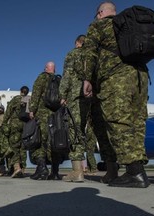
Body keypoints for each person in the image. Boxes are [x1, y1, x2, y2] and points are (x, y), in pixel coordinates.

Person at [82, 1, 150, 188]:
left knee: (119, 122)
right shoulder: (128, 25)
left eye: (97, 13)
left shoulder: (99, 25)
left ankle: (135, 173)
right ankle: (138, 170)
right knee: (136, 123)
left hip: (116, 78)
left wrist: (87, 79)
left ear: (100, 13)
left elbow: (89, 53)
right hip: (140, 77)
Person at [59, 35, 86, 182]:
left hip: (76, 96)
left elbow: (67, 75)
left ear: (77, 43)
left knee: (75, 131)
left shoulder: (73, 54)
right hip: (94, 96)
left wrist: (62, 94)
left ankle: (77, 171)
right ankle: (112, 170)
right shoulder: (95, 54)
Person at [29, 61, 56, 180]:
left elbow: (36, 94)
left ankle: (43, 167)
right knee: (52, 141)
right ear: (54, 69)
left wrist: (32, 110)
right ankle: (52, 171)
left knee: (39, 140)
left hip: (42, 113)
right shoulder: (58, 80)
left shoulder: (42, 77)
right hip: (55, 115)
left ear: (46, 68)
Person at [1, 86, 30, 178]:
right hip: (26, 126)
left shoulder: (16, 99)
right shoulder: (30, 99)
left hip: (15, 125)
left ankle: (17, 168)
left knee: (14, 147)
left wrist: (4, 123)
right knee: (23, 148)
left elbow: (8, 111)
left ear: (20, 91)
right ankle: (23, 169)